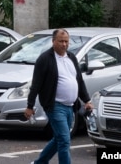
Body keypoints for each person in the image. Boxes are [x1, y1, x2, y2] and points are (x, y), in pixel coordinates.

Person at [23, 29, 93, 164]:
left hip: (70, 107)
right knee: (65, 140)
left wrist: (87, 100)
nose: (64, 44)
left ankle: (40, 162)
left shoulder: (71, 57)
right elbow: (36, 84)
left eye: (66, 41)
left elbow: (79, 80)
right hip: (55, 106)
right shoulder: (45, 59)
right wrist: (30, 106)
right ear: (53, 41)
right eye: (61, 41)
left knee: (59, 138)